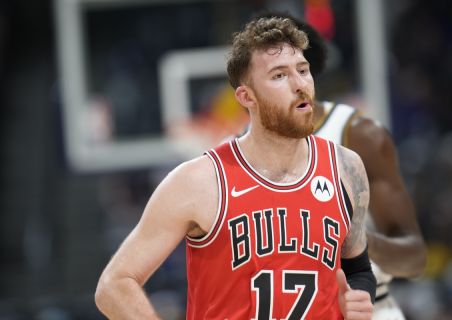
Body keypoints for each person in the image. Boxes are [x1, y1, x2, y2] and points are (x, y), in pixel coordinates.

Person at [95, 16, 376, 319]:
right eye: (279, 75)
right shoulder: (200, 181)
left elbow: (358, 269)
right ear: (246, 97)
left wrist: (359, 298)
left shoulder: (346, 168)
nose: (299, 85)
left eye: (303, 70)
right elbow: (113, 286)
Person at [242, 12, 428, 320]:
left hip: (367, 308)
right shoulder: (236, 153)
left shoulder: (358, 135)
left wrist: (354, 240)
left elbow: (414, 259)